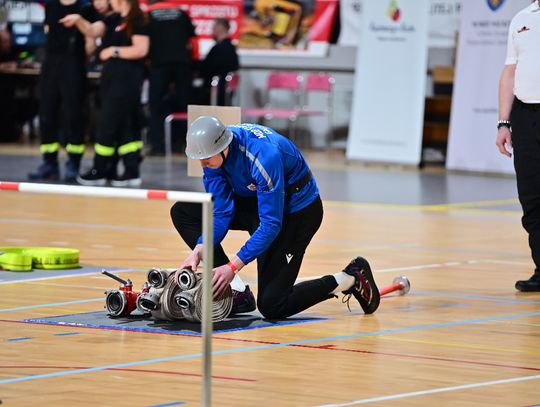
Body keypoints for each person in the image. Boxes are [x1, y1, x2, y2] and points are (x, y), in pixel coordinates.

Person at [170, 116, 380, 319]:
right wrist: (200, 249)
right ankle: (235, 292)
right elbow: (221, 211)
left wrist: (232, 266)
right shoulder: (213, 155)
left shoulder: (264, 157)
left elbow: (271, 224)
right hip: (259, 202)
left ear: (223, 147)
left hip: (297, 213)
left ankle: (350, 277)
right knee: (183, 212)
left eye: (206, 159)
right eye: (199, 159)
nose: (203, 164)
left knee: (273, 305)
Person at [60, 0, 149, 187]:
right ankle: (130, 170)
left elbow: (141, 49)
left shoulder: (137, 19)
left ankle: (100, 168)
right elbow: (92, 30)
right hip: (111, 80)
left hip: (127, 80)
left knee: (107, 124)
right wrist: (78, 20)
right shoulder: (113, 19)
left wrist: (113, 51)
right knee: (125, 126)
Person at [497, 0, 540, 292]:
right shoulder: (522, 18)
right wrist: (504, 122)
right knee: (531, 197)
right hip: (525, 116)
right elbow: (510, 72)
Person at [28, 0, 94, 183]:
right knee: (46, 114)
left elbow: (90, 40)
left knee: (73, 115)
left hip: (73, 64)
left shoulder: (85, 7)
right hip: (51, 64)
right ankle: (49, 163)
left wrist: (81, 55)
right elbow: (48, 31)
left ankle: (73, 162)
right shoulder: (51, 5)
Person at [146, 0, 195, 155]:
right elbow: (193, 40)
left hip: (159, 63)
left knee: (156, 104)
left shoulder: (148, 15)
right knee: (184, 104)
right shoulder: (181, 13)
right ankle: (185, 144)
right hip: (182, 63)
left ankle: (157, 146)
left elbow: (144, 42)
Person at [195, 18, 239, 106]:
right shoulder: (232, 49)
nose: (212, 31)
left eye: (213, 27)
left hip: (214, 94)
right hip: (224, 95)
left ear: (220, 28)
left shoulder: (218, 49)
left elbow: (206, 69)